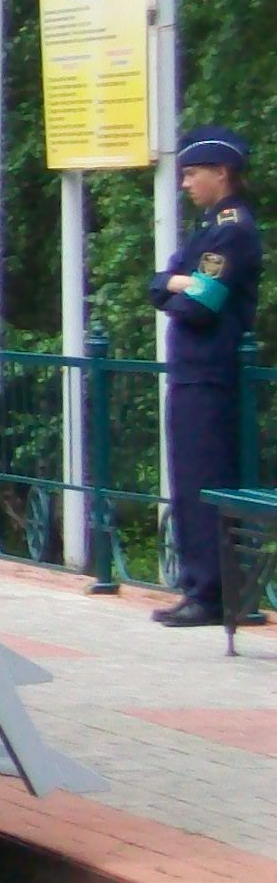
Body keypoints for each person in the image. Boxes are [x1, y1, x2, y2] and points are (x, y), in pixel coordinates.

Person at [150, 129, 260, 630]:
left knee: (205, 481)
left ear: (221, 173)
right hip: (193, 372)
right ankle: (199, 585)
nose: (186, 183)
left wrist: (177, 285)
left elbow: (199, 305)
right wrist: (176, 282)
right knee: (189, 481)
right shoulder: (208, 227)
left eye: (193, 173)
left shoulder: (231, 231)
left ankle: (212, 593)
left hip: (210, 372)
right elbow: (160, 283)